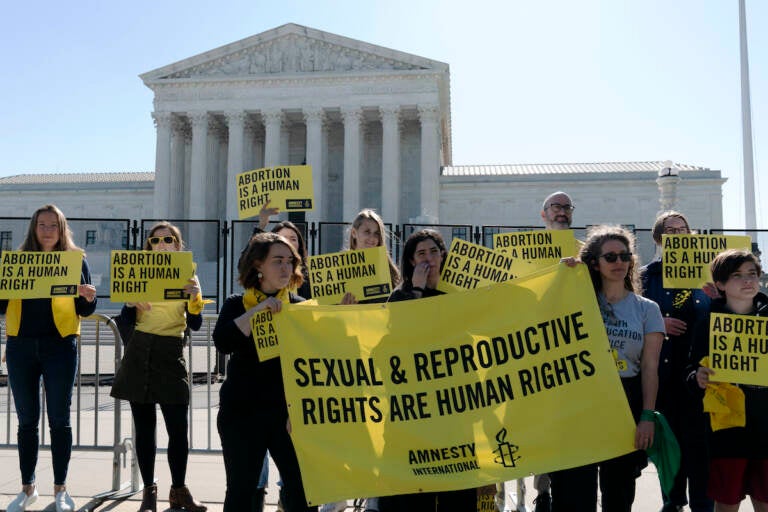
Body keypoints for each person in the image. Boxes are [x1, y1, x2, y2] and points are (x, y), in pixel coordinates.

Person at [550, 225, 665, 512]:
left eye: (624, 256)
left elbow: (650, 368)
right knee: (574, 493)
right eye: (610, 257)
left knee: (619, 494)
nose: (619, 263)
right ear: (594, 263)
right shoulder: (578, 299)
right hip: (581, 402)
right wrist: (563, 275)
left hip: (626, 403)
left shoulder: (647, 308)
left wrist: (647, 416)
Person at [0, 204, 97, 512]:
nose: (47, 230)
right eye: (41, 224)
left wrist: (89, 298)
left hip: (60, 347)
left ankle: (61, 489)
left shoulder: (75, 260)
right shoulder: (17, 262)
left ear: (61, 228)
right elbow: (2, 307)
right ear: (33, 228)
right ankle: (28, 488)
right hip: (20, 348)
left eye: (53, 225)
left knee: (60, 420)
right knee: (27, 421)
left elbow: (84, 310)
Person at [213, 232, 316, 512]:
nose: (286, 268)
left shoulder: (299, 306)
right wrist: (258, 311)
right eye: (277, 261)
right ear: (258, 265)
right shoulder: (237, 303)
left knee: (302, 490)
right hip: (242, 414)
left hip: (287, 415)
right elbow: (222, 341)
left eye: (290, 261)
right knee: (241, 491)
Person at [377, 229, 479, 512]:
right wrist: (418, 290)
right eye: (421, 253)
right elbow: (399, 337)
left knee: (457, 499)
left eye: (434, 252)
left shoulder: (459, 294)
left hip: (454, 417)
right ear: (410, 261)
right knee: (409, 501)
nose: (429, 258)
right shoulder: (400, 296)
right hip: (412, 420)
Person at [109, 221, 207, 512]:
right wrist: (129, 304)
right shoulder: (137, 273)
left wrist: (194, 299)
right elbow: (123, 322)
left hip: (170, 350)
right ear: (148, 245)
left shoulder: (189, 275)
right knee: (145, 427)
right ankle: (149, 492)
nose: (162, 244)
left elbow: (197, 324)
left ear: (178, 245)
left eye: (169, 239)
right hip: (140, 349)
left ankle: (179, 490)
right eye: (155, 240)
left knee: (178, 429)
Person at [641, 211, 712, 512]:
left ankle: (702, 504)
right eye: (669, 231)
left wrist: (717, 294)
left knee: (701, 445)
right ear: (658, 238)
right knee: (670, 442)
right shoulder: (646, 275)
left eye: (682, 229)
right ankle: (672, 500)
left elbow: (725, 313)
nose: (677, 235)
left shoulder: (709, 273)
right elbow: (636, 313)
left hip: (701, 374)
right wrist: (660, 321)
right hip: (664, 373)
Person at [687, 249, 768, 511]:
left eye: (752, 274)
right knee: (726, 501)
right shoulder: (707, 324)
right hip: (726, 431)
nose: (747, 281)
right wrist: (697, 377)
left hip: (766, 427)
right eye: (737, 275)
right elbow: (691, 369)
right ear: (720, 284)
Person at [532, 191, 577, 512]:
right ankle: (543, 491)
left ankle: (573, 488)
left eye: (566, 207)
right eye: (556, 207)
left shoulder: (584, 252)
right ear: (543, 213)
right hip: (538, 352)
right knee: (542, 426)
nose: (561, 212)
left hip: (575, 348)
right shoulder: (528, 253)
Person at [340, 208, 401, 305]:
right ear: (354, 233)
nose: (372, 238)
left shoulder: (388, 269)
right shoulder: (339, 266)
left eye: (376, 234)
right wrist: (341, 307)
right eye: (367, 232)